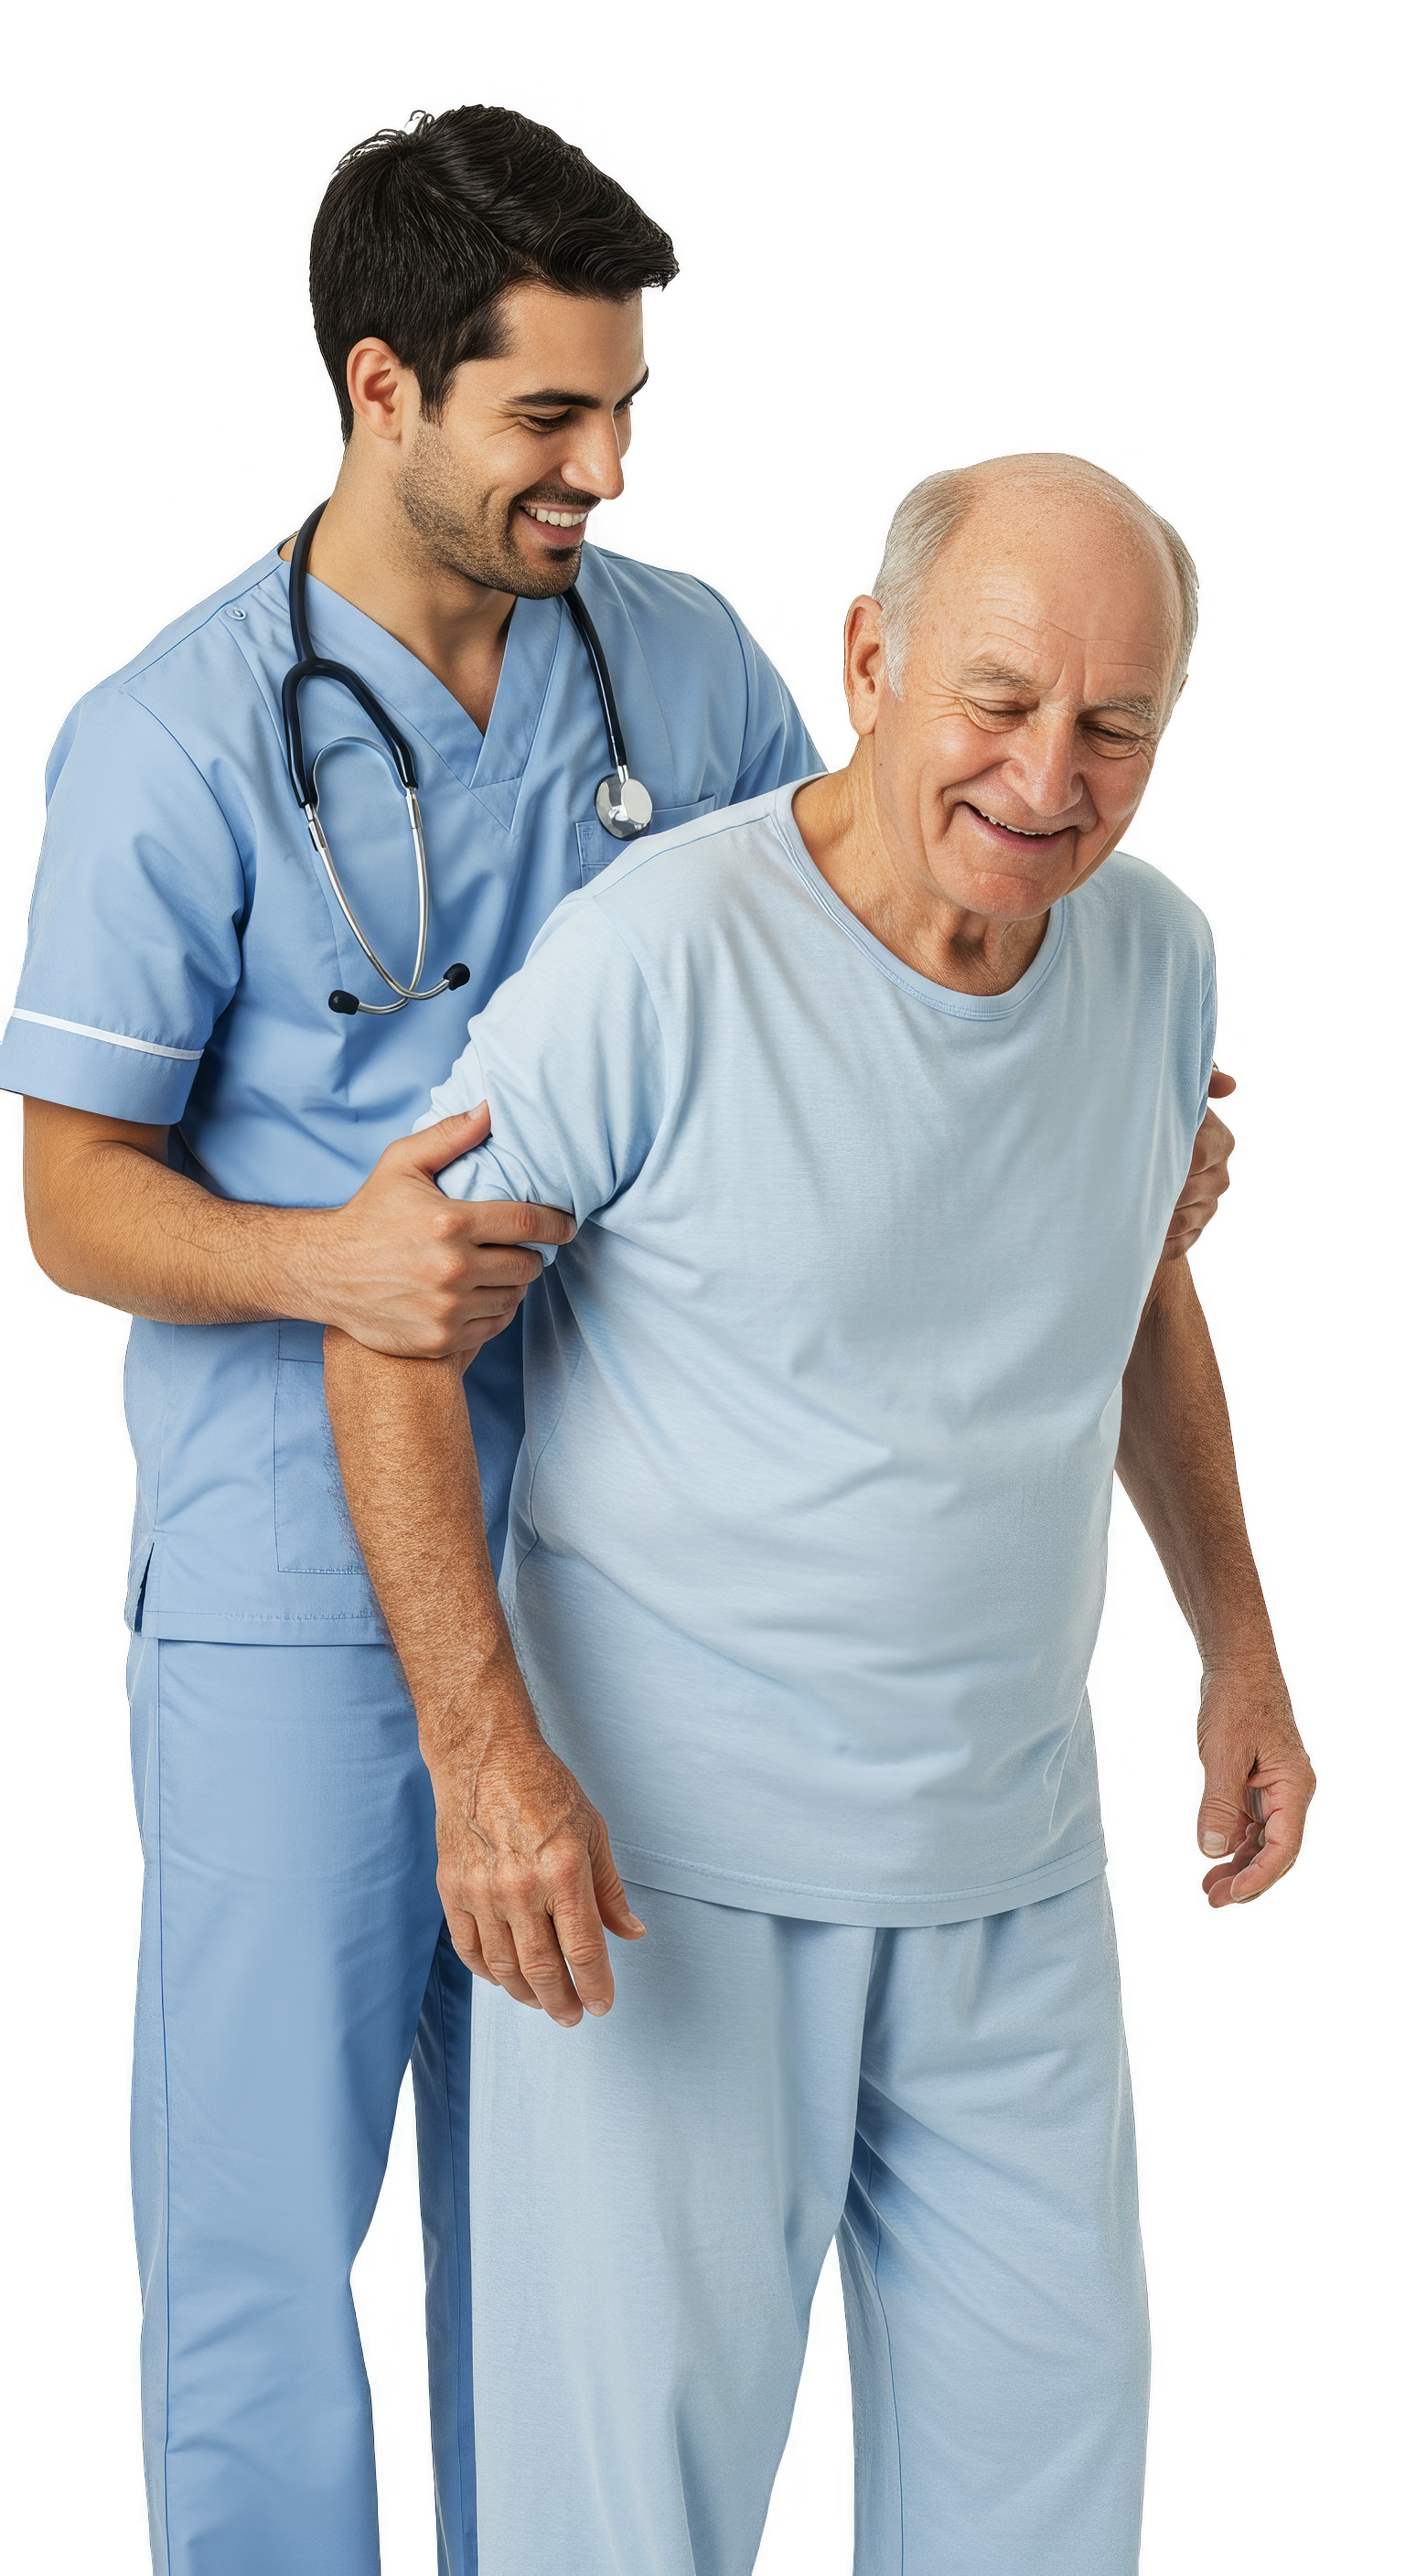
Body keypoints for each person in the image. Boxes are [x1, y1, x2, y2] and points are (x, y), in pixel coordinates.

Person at [2, 95, 1233, 2575]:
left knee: (555, 2272)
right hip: (294, 1582)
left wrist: (1091, 1130)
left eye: (630, 409)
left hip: (643, 1587)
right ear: (382, 394)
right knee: (264, 2238)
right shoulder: (162, 748)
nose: (610, 471)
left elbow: (844, 952)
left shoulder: (672, 659)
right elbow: (67, 1199)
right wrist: (318, 1264)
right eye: (551, 417)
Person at [323, 446, 1317, 2576]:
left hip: (1008, 1874)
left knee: (1049, 2521)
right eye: (998, 698)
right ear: (865, 659)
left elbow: (1140, 1281)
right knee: (628, 2538)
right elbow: (388, 1333)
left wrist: (1238, 1640)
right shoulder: (659, 958)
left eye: (1115, 724)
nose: (1049, 775)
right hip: (659, 1882)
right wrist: (484, 1763)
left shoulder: (1147, 958)